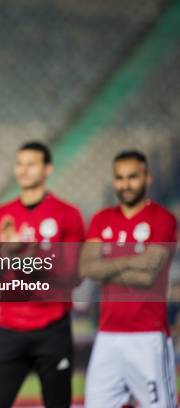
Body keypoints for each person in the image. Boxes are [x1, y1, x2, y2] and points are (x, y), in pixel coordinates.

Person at [0, 142, 85, 408]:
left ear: (48, 169)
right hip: (8, 329)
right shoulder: (0, 216)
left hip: (53, 328)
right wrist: (6, 254)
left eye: (31, 164)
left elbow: (72, 276)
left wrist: (26, 251)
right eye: (19, 163)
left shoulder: (68, 215)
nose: (23, 170)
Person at [81, 150, 177, 407]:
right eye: (120, 178)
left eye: (132, 177)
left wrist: (108, 264)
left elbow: (149, 275)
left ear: (147, 178)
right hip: (107, 336)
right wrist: (133, 260)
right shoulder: (102, 219)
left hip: (148, 337)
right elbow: (87, 267)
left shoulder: (163, 219)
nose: (125, 184)